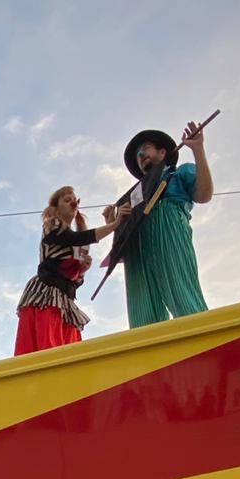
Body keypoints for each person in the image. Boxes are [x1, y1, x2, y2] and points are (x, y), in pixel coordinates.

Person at [106, 121, 213, 329]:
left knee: (182, 294)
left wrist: (198, 150)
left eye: (146, 148)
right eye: (138, 154)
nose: (140, 155)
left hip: (168, 227)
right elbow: (124, 236)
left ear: (162, 152)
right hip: (138, 243)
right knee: (142, 311)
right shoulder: (134, 196)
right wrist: (114, 225)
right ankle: (150, 346)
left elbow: (204, 195)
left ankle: (204, 337)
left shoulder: (179, 173)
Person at [14, 187, 129, 355]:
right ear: (55, 208)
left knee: (69, 348)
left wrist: (82, 271)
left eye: (74, 200)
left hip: (64, 298)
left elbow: (73, 280)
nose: (72, 203)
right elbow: (73, 238)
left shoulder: (79, 243)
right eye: (66, 200)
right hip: (46, 294)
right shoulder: (52, 225)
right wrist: (114, 225)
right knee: (49, 346)